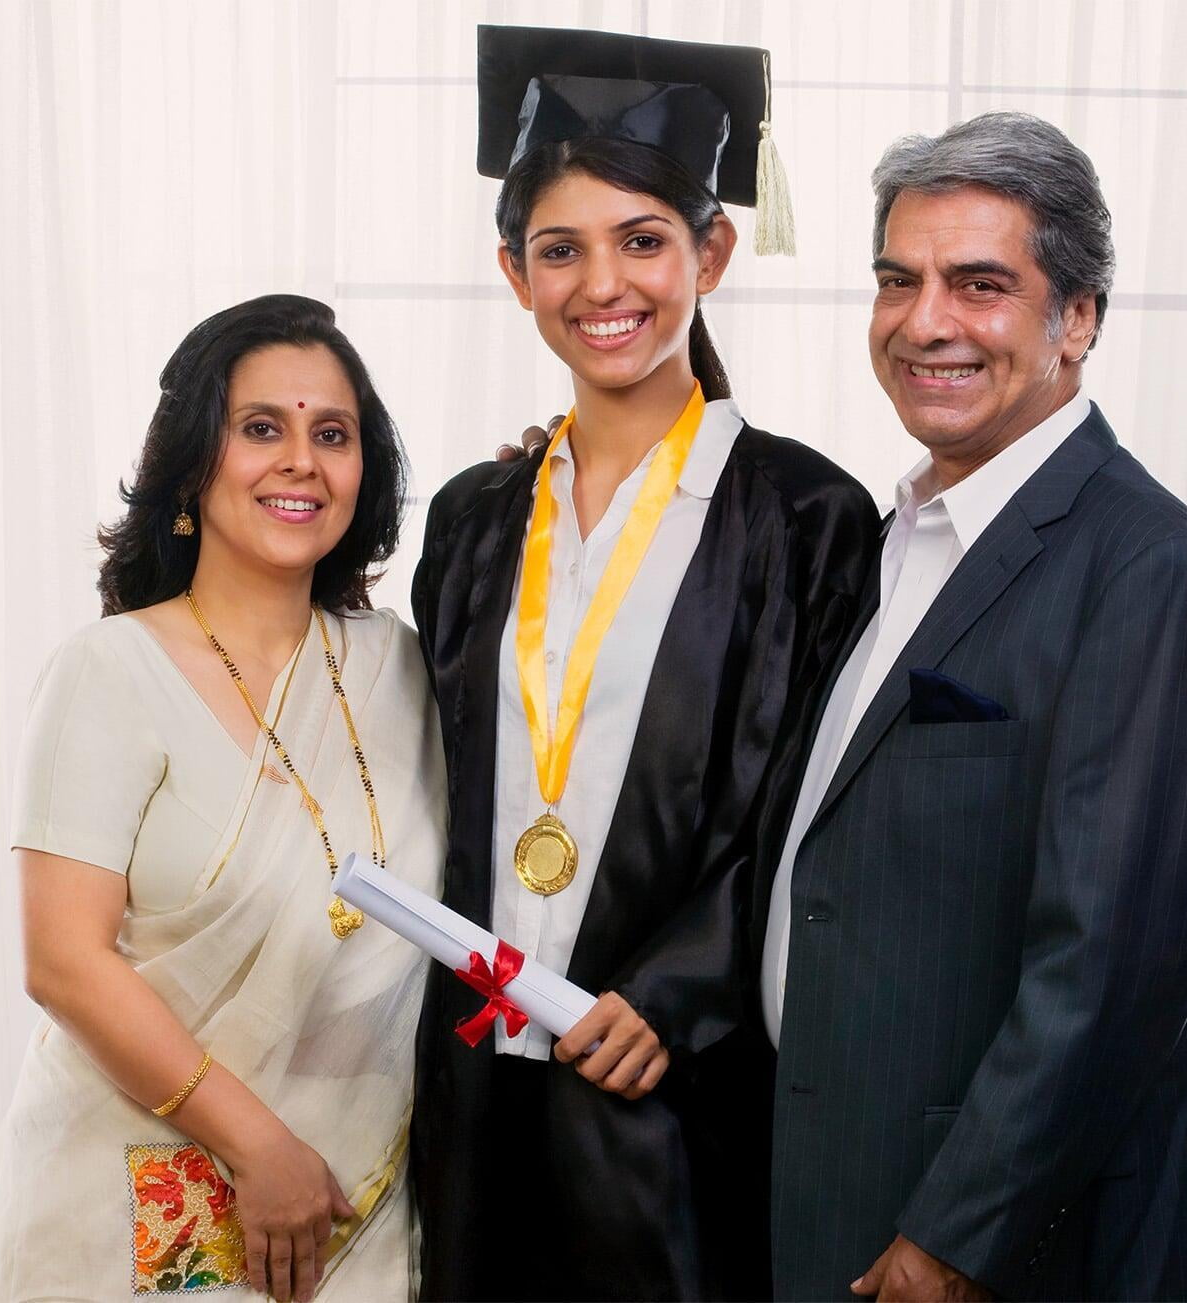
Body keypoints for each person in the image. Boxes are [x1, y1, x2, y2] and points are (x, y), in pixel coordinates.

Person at [409, 25, 881, 1303]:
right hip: (473, 1083)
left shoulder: (805, 517)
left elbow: (807, 812)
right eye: (558, 248)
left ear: (709, 252)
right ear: (513, 273)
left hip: (674, 1088)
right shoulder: (471, 520)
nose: (599, 283)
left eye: (641, 240)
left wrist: (679, 988)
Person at [764, 113, 1187, 1301]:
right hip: (841, 1197)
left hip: (1012, 1248)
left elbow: (1110, 962)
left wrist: (954, 1237)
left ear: (1075, 317)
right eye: (898, 280)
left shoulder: (1144, 566)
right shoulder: (889, 543)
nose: (924, 321)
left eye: (979, 284)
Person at [0, 295, 445, 1303]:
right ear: (191, 465)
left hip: (357, 1202)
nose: (300, 459)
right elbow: (64, 960)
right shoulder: (109, 671)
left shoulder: (400, 666)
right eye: (260, 427)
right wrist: (257, 1145)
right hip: (133, 1200)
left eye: (332, 433)